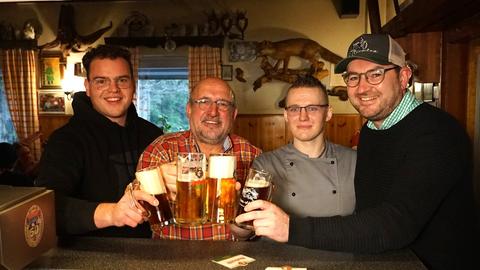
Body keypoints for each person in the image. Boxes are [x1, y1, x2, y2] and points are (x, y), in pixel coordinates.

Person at [235, 33, 477, 270]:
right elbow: (369, 212)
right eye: (353, 77)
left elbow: (394, 224)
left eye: (375, 74)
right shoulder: (372, 131)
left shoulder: (437, 133)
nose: (362, 88)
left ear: (403, 77)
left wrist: (291, 228)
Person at [36, 45, 163, 238]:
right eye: (101, 81)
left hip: (154, 250)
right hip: (90, 257)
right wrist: (111, 213)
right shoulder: (66, 140)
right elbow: (46, 208)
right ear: (87, 87)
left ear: (133, 85)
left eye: (122, 80)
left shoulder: (152, 134)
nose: (114, 89)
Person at [137, 77, 261, 240]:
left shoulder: (252, 154)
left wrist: (239, 210)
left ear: (234, 114)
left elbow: (254, 229)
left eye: (223, 104)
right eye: (203, 101)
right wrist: (153, 183)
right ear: (188, 109)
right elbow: (137, 212)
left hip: (234, 258)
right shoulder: (163, 149)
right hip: (172, 257)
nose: (213, 112)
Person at [243, 75, 356, 223]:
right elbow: (246, 227)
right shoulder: (266, 165)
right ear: (286, 115)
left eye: (312, 108)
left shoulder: (354, 161)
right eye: (295, 109)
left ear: (328, 113)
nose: (303, 117)